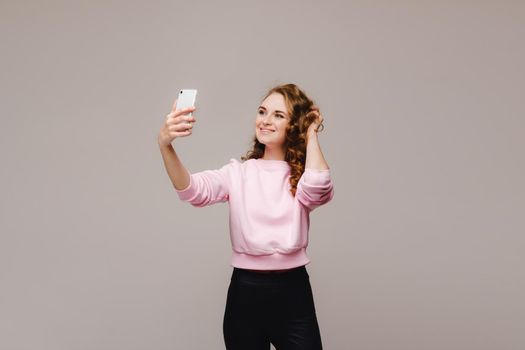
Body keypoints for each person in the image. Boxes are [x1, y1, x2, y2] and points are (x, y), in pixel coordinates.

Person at [158, 83, 334, 349]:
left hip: (293, 292)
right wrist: (165, 145)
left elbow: (319, 186)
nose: (265, 120)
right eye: (262, 111)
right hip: (245, 295)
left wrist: (311, 132)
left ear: (294, 124)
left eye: (278, 115)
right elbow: (192, 191)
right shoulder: (238, 174)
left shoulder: (302, 177)